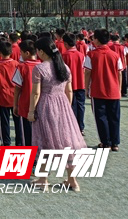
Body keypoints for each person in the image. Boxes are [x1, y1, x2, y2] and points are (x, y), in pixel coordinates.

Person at [29, 37, 87, 191]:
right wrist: (65, 109)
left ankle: (43, 180)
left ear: (41, 51)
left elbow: (36, 93)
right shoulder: (65, 68)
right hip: (63, 105)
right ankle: (72, 181)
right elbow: (69, 90)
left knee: (44, 142)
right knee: (66, 142)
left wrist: (31, 111)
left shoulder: (40, 68)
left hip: (45, 106)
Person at [84, 29, 123, 152]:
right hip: (114, 90)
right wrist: (119, 88)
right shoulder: (115, 55)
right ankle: (115, 143)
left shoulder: (91, 55)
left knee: (101, 117)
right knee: (114, 117)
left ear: (96, 40)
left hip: (98, 90)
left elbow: (87, 72)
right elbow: (120, 73)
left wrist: (86, 88)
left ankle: (105, 142)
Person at [0, 41, 20, 146]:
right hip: (15, 95)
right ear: (11, 52)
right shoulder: (17, 64)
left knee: (4, 122)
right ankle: (19, 142)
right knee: (18, 122)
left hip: (3, 95)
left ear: (0, 52)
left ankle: (6, 143)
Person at [12, 40, 39, 146]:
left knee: (27, 135)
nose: (20, 55)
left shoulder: (22, 67)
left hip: (26, 105)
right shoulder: (43, 65)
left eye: (21, 52)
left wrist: (15, 105)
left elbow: (17, 88)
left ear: (27, 53)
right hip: (40, 104)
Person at [62, 33, 86, 135]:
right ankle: (80, 127)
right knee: (81, 107)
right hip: (80, 84)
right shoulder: (81, 55)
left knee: (70, 106)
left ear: (66, 43)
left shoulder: (63, 56)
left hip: (68, 86)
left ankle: (72, 127)